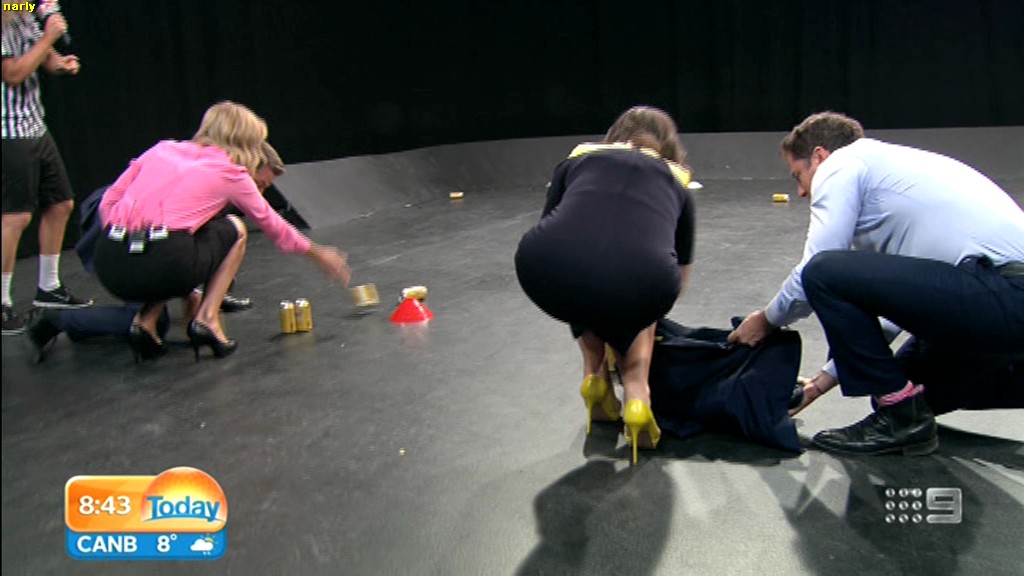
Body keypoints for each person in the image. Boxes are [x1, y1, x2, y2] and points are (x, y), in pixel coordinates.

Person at [729, 111, 1024, 456]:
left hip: (1004, 293)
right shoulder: (894, 173)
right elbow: (890, 314)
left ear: (820, 156)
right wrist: (819, 385)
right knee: (907, 387)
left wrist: (767, 320)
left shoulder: (842, 164)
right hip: (999, 303)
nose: (801, 191)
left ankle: (902, 420)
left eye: (799, 175)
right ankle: (905, 415)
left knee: (825, 270)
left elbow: (818, 268)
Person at [92, 101, 350, 362]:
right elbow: (274, 225)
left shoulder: (161, 149)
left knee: (178, 240)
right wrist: (318, 254)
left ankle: (145, 323)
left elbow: (108, 202)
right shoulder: (231, 173)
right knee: (235, 229)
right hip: (165, 263)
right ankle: (207, 319)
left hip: (110, 263)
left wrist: (128, 243)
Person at [514, 105, 695, 465]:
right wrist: (637, 315)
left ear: (614, 135)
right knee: (641, 291)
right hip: (642, 280)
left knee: (581, 270)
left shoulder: (577, 161)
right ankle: (637, 394)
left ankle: (594, 379)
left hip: (543, 267)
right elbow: (680, 274)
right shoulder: (678, 182)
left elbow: (557, 225)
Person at [25, 142, 289, 362]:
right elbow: (170, 247)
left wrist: (201, 292)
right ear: (244, 168)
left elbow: (187, 246)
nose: (261, 196)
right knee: (145, 322)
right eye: (259, 184)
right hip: (114, 232)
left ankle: (83, 328)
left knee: (154, 319)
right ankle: (54, 320)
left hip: (145, 237)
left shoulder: (221, 183)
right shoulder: (212, 180)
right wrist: (191, 291)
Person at [2, 7, 92, 335]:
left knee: (60, 203)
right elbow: (13, 73)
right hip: (8, 132)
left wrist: (61, 62)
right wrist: (50, 35)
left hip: (35, 126)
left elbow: (45, 58)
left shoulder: (20, 11)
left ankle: (49, 287)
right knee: (16, 217)